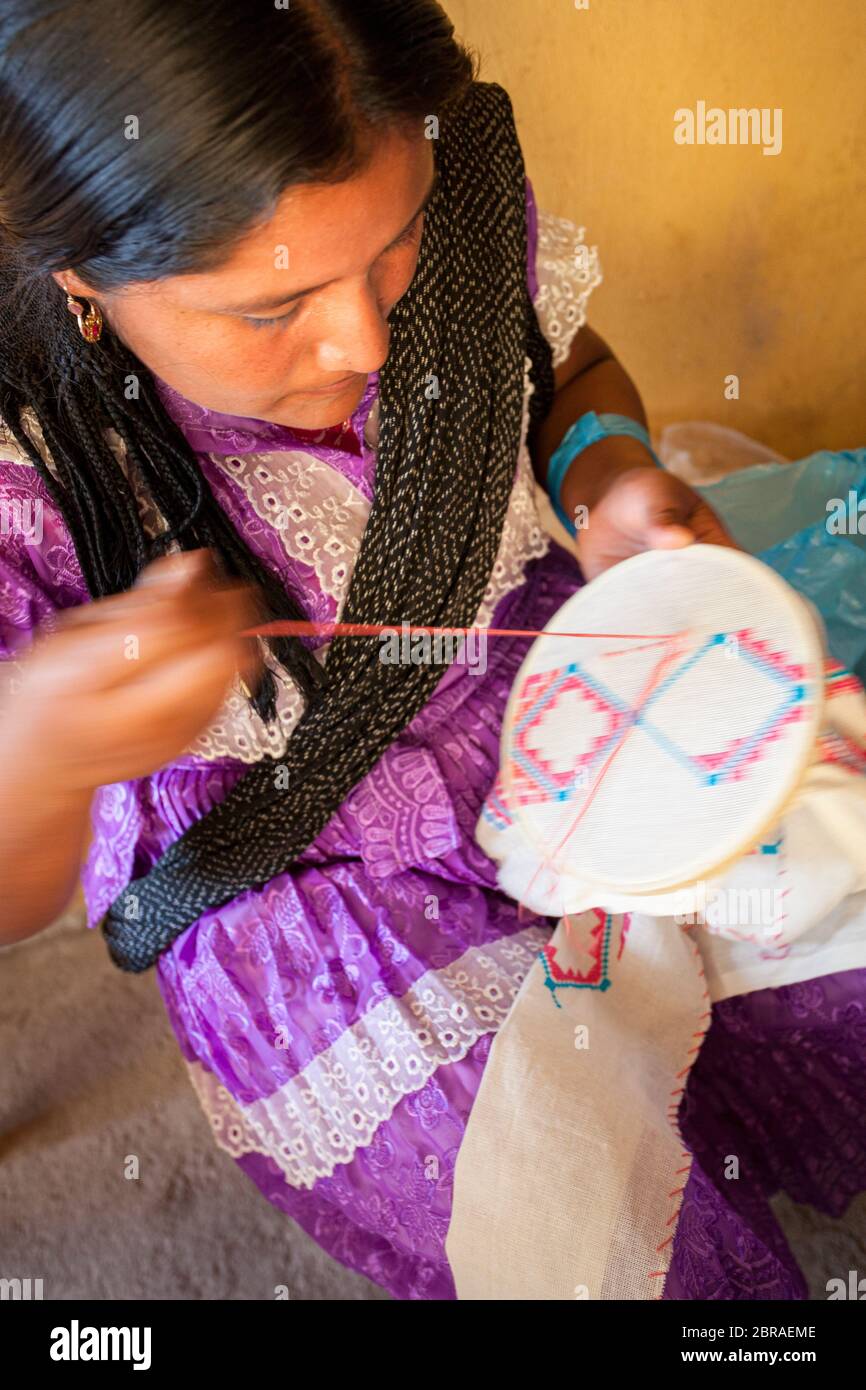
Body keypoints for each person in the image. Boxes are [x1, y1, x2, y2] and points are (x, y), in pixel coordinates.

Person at [1, 0, 861, 1301]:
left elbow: (558, 361)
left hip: (559, 680)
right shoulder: (28, 468)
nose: (365, 342)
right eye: (273, 305)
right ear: (82, 279)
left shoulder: (453, 191)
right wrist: (47, 745)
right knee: (595, 1242)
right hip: (295, 857)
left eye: (395, 243)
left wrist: (607, 469)